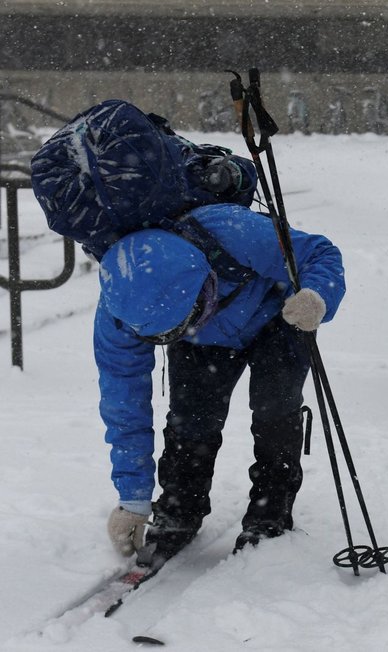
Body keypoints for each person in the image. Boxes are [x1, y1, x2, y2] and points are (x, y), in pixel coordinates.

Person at [100, 203, 345, 562]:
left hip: (279, 317)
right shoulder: (121, 308)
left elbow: (319, 252)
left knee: (275, 411)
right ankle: (178, 511)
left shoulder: (232, 230)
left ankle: (269, 515)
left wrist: (317, 295)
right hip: (204, 346)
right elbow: (123, 403)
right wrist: (132, 498)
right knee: (191, 419)